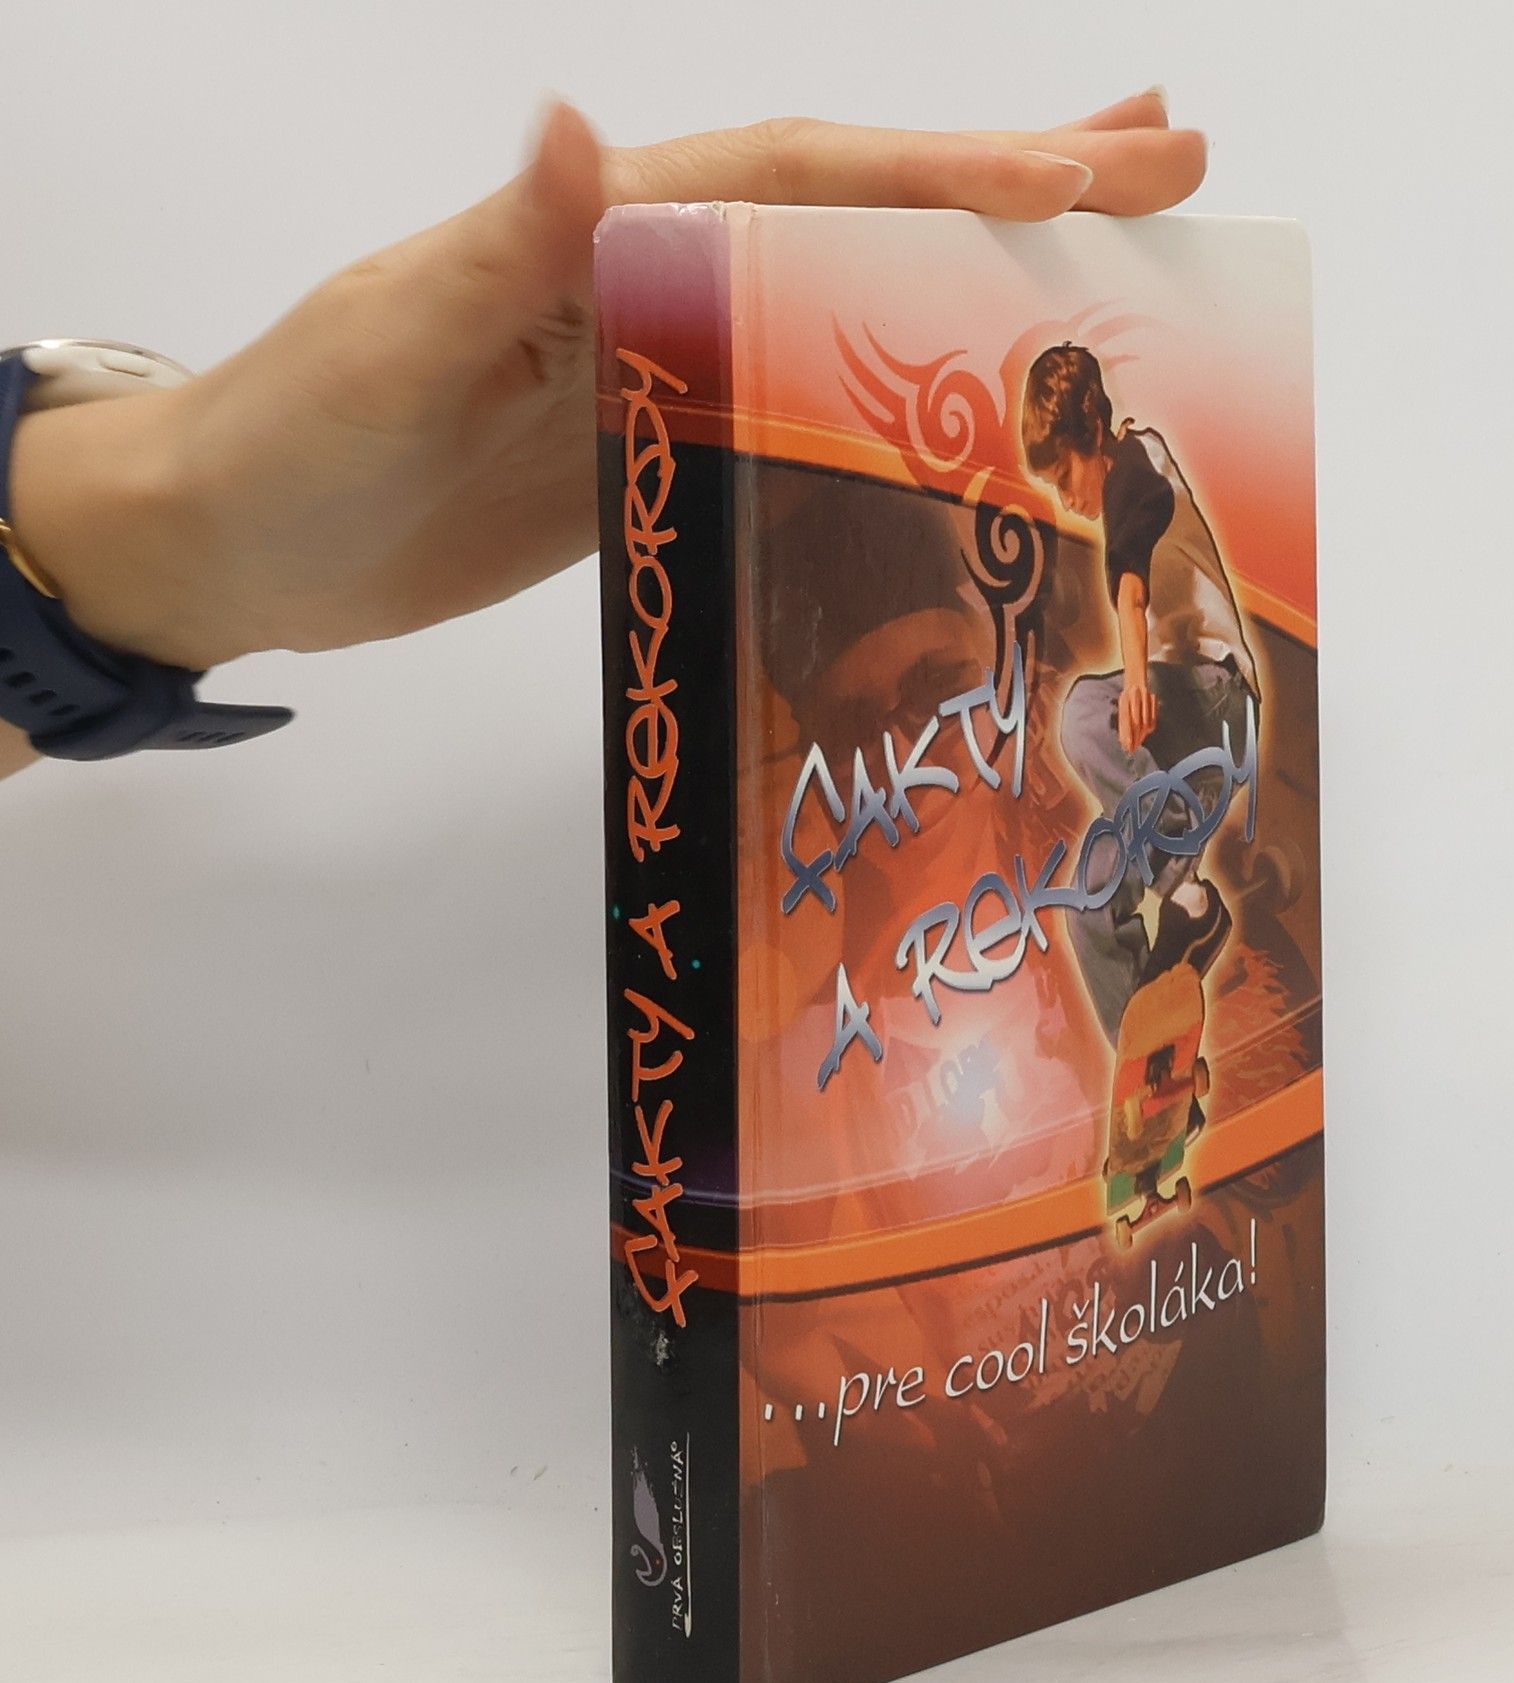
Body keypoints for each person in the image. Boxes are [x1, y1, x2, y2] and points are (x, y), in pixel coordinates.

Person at [0, 93, 1206, 783]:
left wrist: (170, 542)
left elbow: (1139, 596)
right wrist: (175, 544)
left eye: (936, 689)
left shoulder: (1134, 497)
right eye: (863, 727)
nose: (910, 751)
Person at [1019, 342, 1259, 1040]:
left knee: (1080, 714)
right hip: (1179, 745)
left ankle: (1182, 881)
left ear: (1093, 433)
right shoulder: (1118, 483)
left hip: (1218, 702)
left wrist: (1130, 685)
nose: (1067, 498)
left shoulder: (1138, 465)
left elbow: (1130, 588)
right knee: (1089, 909)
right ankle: (1148, 1066)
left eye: (1066, 475)